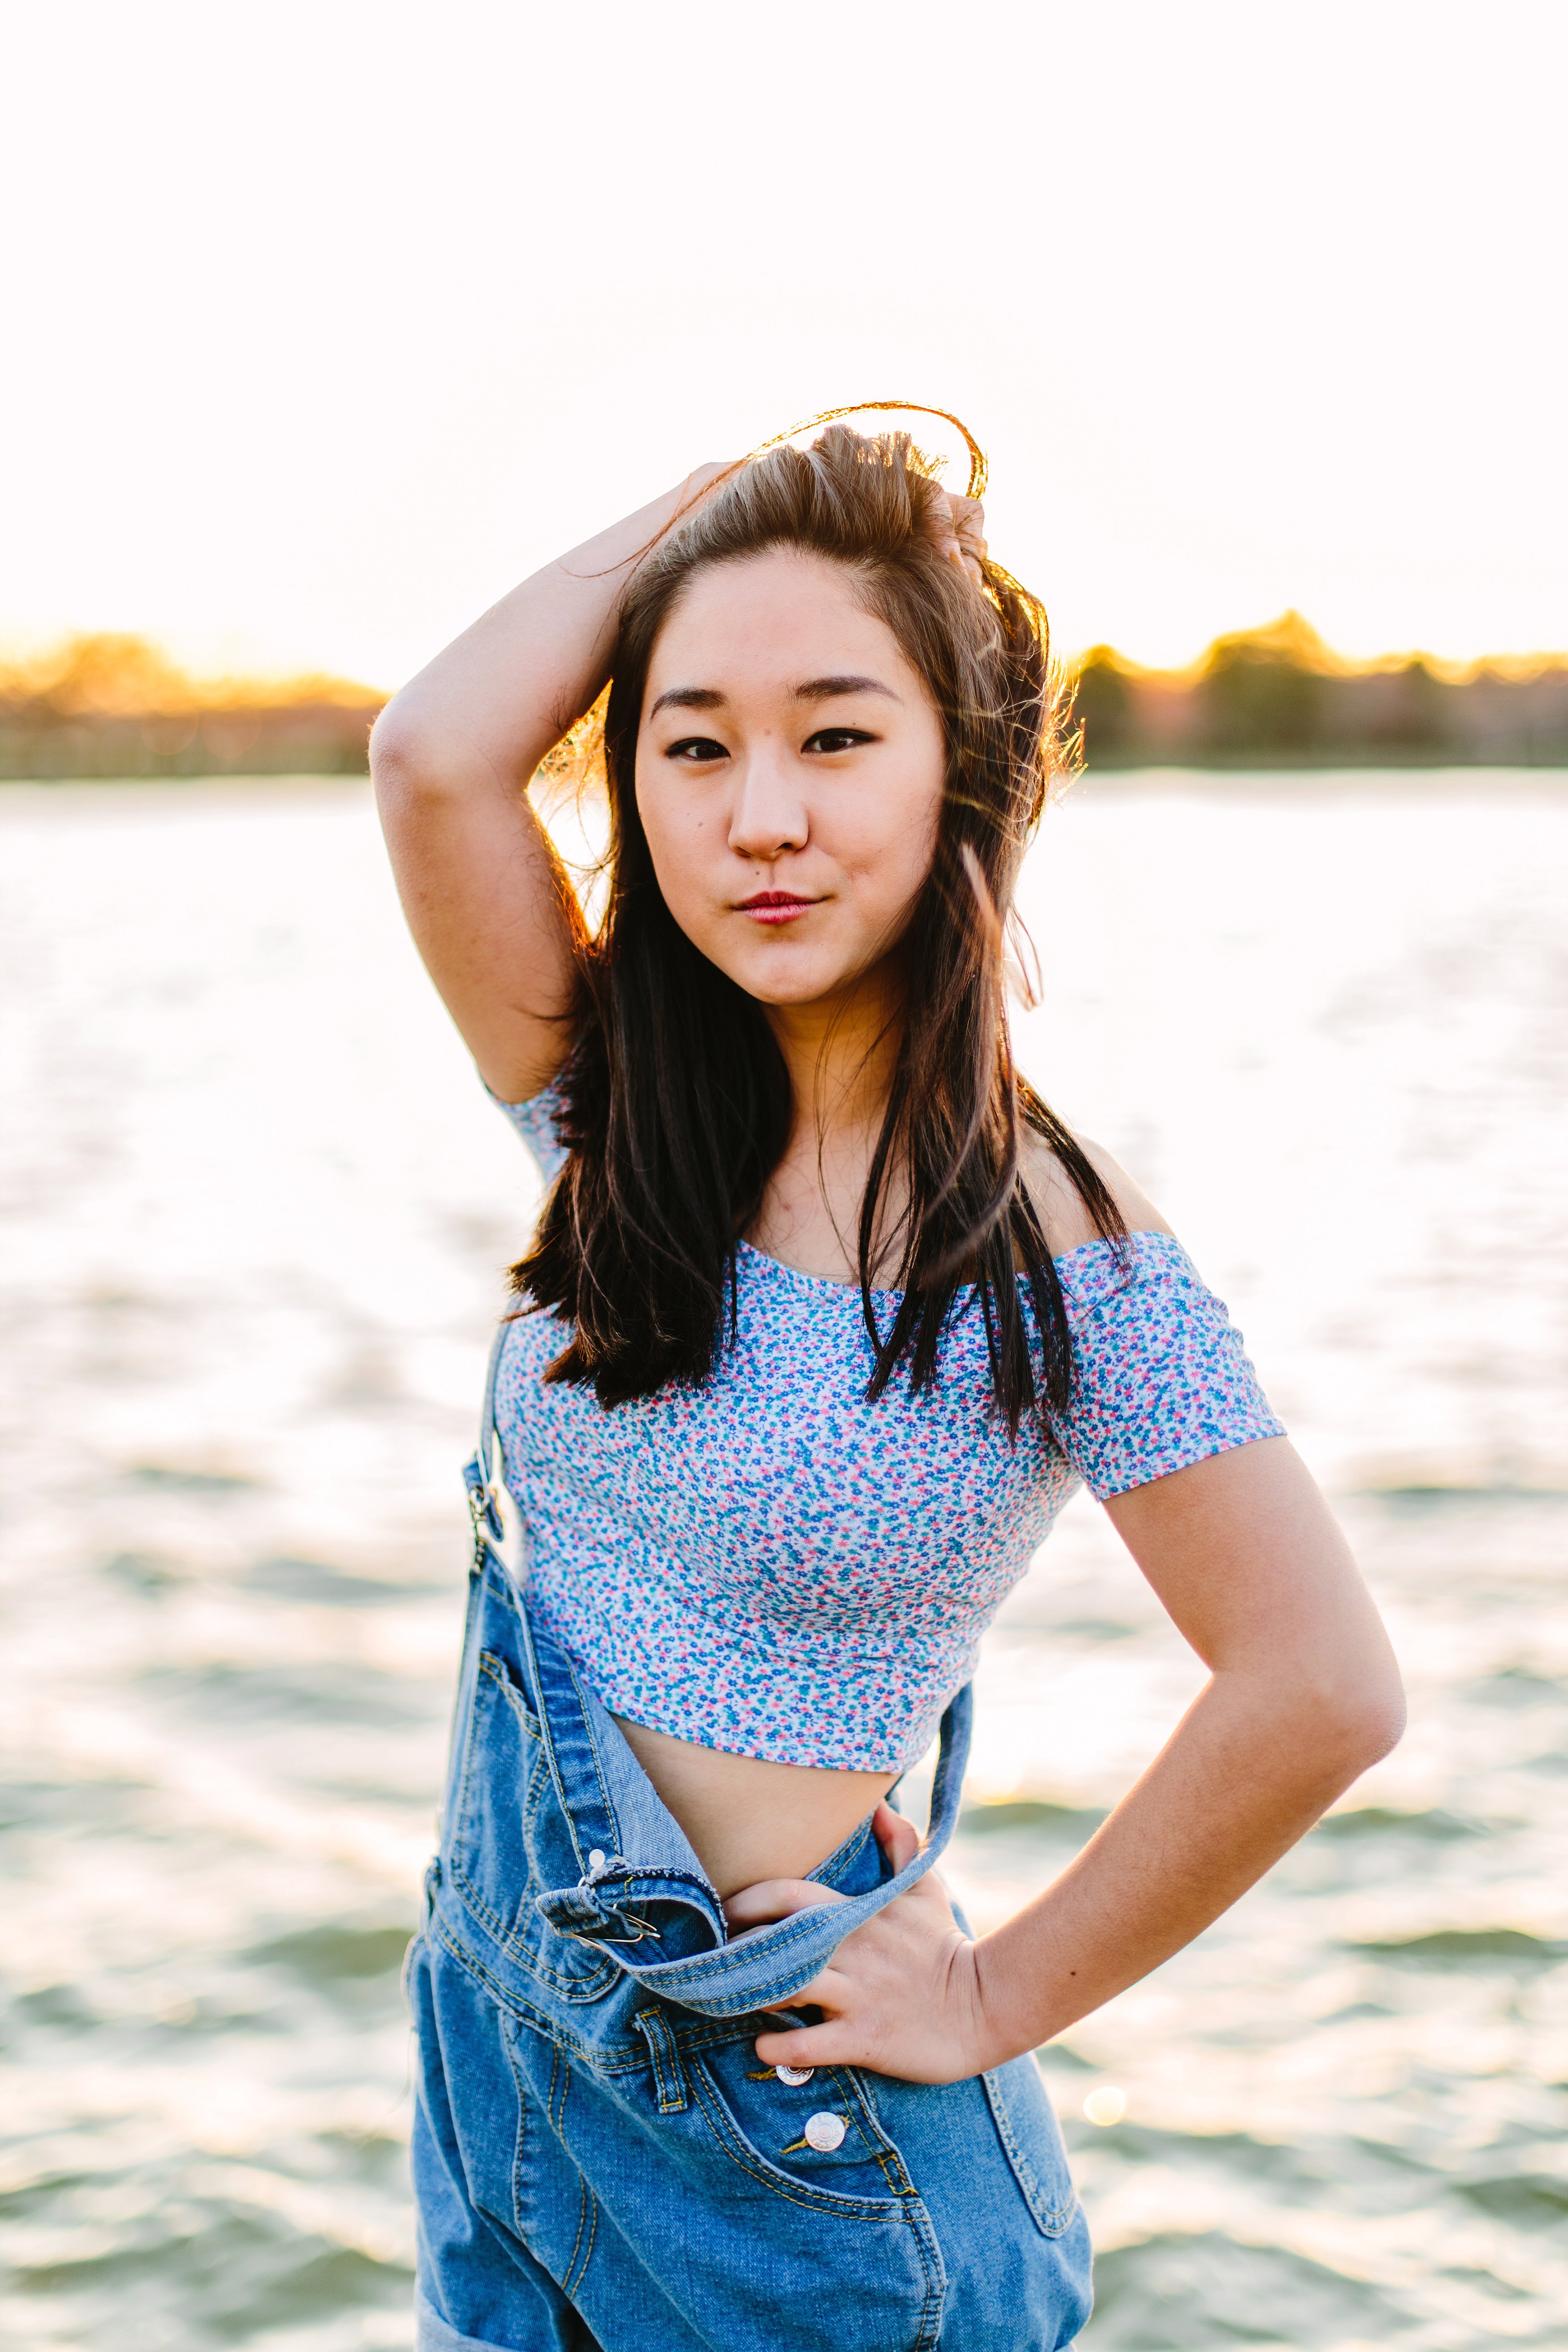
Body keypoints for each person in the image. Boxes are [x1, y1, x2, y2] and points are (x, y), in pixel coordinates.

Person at [371, 415, 1404, 2352]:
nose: (759, 811)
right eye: (693, 743)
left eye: (835, 733)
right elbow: (434, 753)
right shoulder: (613, 1118)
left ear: (964, 771)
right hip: (511, 2096)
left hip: (805, 2175)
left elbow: (1320, 1685)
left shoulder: (1053, 1247)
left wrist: (995, 1994)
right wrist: (735, 494)